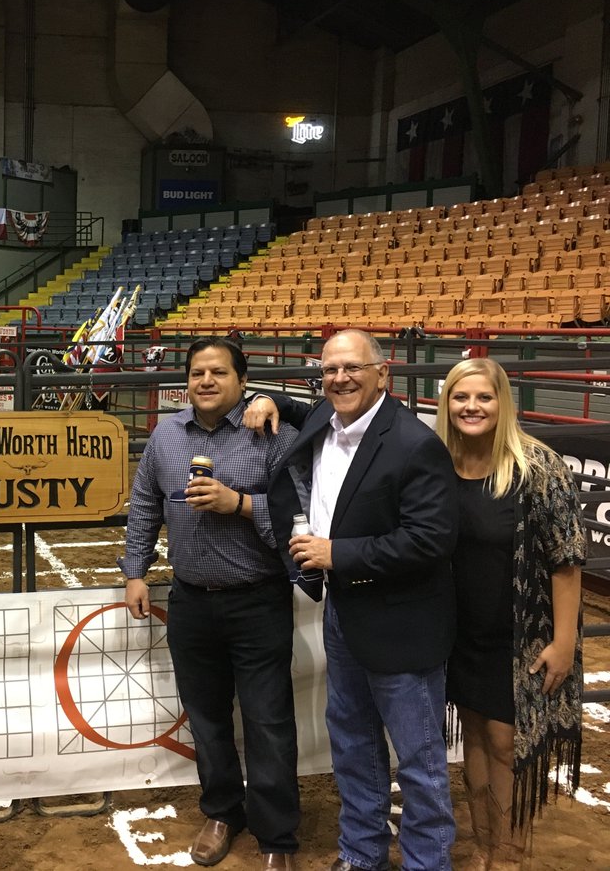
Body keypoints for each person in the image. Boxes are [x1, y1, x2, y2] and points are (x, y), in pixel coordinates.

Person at [246, 329, 458, 871]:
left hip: (402, 627)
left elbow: (429, 540)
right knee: (353, 747)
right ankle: (361, 856)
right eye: (330, 369)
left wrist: (337, 553)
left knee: (419, 761)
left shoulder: (415, 443)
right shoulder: (326, 416)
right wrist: (265, 398)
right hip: (343, 617)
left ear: (382, 373)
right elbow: (300, 407)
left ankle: (426, 864)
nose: (340, 378)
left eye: (353, 368)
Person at [120, 337, 301, 870]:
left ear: (242, 381)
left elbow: (300, 514)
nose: (206, 381)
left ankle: (278, 836)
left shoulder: (272, 434)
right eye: (198, 372)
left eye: (218, 372)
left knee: (269, 721)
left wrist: (239, 503)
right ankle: (223, 810)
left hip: (258, 600)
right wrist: (135, 571)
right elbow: (145, 503)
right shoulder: (167, 435)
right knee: (206, 717)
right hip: (191, 600)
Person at [435, 358, 584, 871]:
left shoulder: (538, 468)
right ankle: (481, 846)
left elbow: (566, 561)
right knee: (473, 735)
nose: (471, 407)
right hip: (460, 631)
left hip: (521, 633)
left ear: (503, 402)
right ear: (446, 403)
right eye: (460, 397)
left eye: (483, 397)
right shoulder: (439, 464)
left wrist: (562, 643)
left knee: (505, 743)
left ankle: (509, 854)